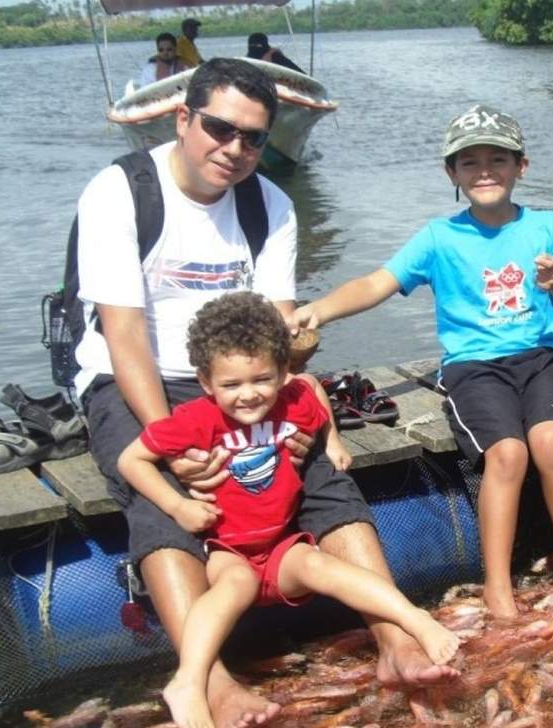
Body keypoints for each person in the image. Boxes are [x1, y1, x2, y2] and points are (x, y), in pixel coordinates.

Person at [75, 58, 457, 728]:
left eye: (253, 138)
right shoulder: (121, 192)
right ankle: (210, 682)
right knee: (161, 499)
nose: (235, 149)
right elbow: (123, 335)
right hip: (139, 375)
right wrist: (176, 445)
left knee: (321, 472)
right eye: (220, 129)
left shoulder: (269, 204)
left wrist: (298, 392)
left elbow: (279, 334)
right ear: (183, 118)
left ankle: (394, 637)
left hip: (245, 373)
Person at [292, 105, 553, 619]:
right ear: (451, 173)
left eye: (497, 159)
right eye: (469, 162)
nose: (485, 171)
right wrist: (319, 310)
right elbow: (377, 282)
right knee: (507, 453)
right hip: (474, 367)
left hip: (541, 359)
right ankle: (497, 585)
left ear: (521, 166)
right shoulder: (439, 238)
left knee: (550, 440)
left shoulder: (548, 228)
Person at [117, 292, 460, 728]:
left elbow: (313, 391)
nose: (248, 395)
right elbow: (131, 460)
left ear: (282, 372)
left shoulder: (293, 399)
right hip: (228, 550)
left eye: (262, 379)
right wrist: (178, 505)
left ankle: (413, 619)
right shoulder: (193, 420)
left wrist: (332, 441)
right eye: (231, 385)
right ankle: (189, 679)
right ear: (205, 382)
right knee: (235, 585)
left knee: (321, 566)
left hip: (280, 547)